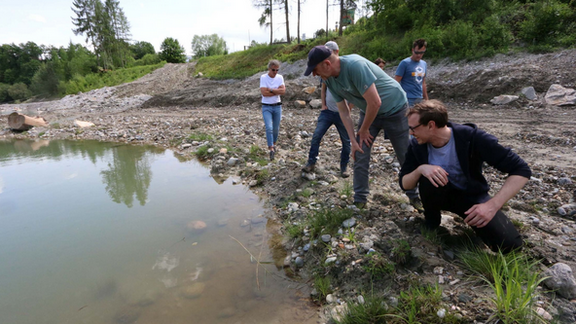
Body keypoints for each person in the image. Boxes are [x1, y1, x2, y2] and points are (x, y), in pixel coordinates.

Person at [399, 100, 530, 253]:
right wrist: (421, 169)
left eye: (413, 128)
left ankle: (478, 231)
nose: (410, 133)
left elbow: (521, 170)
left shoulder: (472, 138)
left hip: (472, 199)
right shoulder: (417, 146)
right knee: (428, 176)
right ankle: (432, 222)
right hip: (439, 196)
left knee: (511, 246)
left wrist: (492, 205)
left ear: (431, 125)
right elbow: (405, 183)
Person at [304, 45, 420, 209]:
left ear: (327, 64)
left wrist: (364, 129)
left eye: (315, 70)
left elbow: (376, 102)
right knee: (359, 152)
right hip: (369, 110)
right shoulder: (328, 79)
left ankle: (415, 197)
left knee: (404, 154)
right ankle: (360, 200)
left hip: (394, 109)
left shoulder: (354, 66)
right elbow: (343, 111)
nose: (315, 74)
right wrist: (353, 140)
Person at [302, 41, 351, 178]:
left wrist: (349, 109)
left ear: (337, 51)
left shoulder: (344, 70)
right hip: (328, 112)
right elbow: (323, 90)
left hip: (342, 114)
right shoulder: (326, 73)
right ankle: (311, 162)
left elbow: (355, 94)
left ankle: (344, 167)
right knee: (316, 136)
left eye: (331, 50)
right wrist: (323, 106)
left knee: (346, 142)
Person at [260, 59, 286, 160]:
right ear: (269, 69)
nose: (275, 72)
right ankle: (270, 148)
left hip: (277, 106)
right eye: (273, 70)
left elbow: (283, 91)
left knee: (276, 128)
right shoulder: (263, 77)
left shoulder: (280, 78)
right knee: (269, 127)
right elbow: (264, 93)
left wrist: (270, 89)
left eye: (277, 70)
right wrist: (276, 91)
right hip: (266, 106)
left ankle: (274, 144)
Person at [395, 39, 428, 107]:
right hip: (407, 99)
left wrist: (426, 99)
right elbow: (396, 82)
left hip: (420, 98)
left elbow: (423, 83)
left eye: (421, 53)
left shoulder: (424, 64)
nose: (419, 55)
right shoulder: (404, 63)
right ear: (412, 50)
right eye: (417, 52)